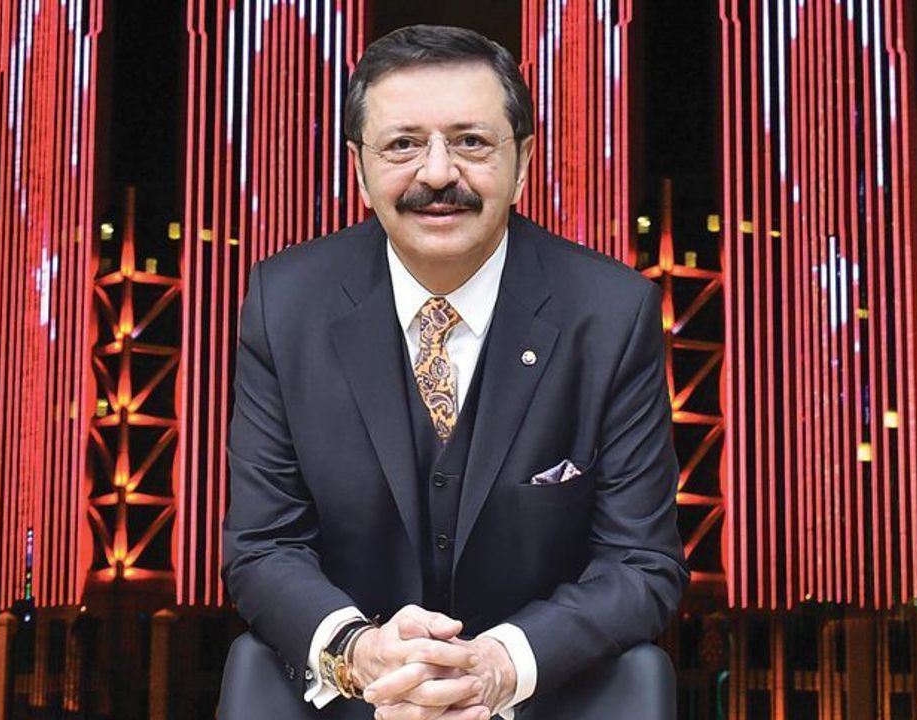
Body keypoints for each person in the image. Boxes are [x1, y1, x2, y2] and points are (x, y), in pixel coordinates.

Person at [222, 24, 688, 720]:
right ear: (359, 169)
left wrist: (500, 665)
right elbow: (263, 546)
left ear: (523, 162)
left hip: (544, 693)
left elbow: (641, 563)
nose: (437, 174)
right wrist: (360, 652)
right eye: (402, 145)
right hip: (352, 692)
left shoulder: (611, 312)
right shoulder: (284, 304)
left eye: (471, 142)